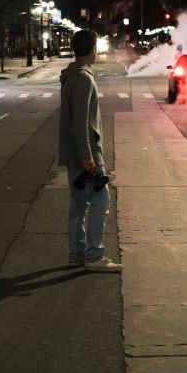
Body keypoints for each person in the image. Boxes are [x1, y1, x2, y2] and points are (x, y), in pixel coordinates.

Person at [59, 29, 122, 273]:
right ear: (92, 48)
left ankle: (76, 253)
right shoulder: (84, 78)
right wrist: (88, 156)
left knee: (78, 204)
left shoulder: (71, 75)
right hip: (86, 153)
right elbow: (81, 121)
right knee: (101, 201)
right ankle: (94, 255)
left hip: (72, 152)